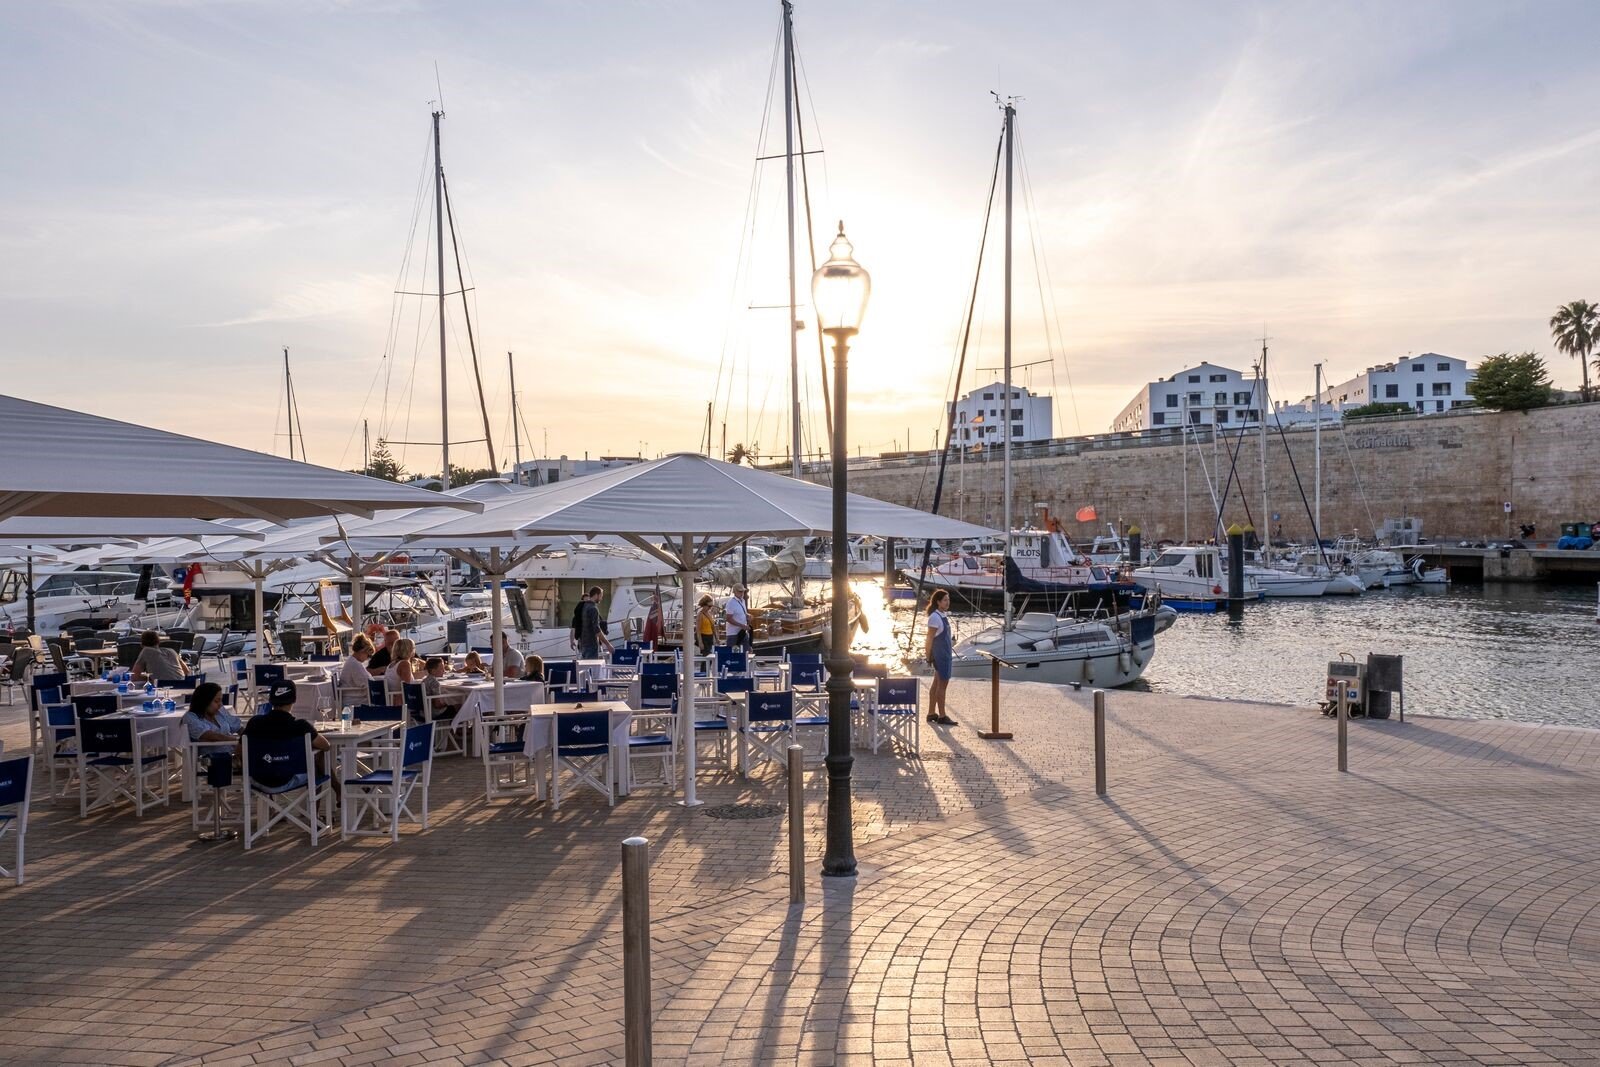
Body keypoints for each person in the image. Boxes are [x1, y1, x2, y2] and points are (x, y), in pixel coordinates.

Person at [241, 681, 329, 789]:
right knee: (316, 757)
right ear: (294, 700)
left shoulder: (254, 723)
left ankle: (337, 789)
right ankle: (332, 791)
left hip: (258, 778)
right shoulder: (301, 726)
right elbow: (326, 746)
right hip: (291, 778)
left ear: (270, 700)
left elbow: (239, 750)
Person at [183, 682, 242, 760]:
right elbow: (209, 735)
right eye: (216, 701)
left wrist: (248, 737)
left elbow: (237, 727)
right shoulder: (191, 717)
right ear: (204, 701)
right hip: (211, 759)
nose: (220, 704)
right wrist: (236, 741)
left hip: (233, 753)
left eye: (221, 701)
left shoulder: (220, 711)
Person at [924, 590, 955, 725]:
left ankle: (931, 713)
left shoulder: (942, 615)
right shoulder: (935, 617)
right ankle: (942, 716)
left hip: (945, 654)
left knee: (936, 684)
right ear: (938, 602)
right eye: (945, 600)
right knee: (942, 686)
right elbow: (929, 638)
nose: (947, 602)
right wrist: (928, 656)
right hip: (941, 656)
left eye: (948, 600)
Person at [570, 586, 613, 660]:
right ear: (596, 595)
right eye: (601, 596)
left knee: (585, 666)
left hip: (583, 644)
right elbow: (597, 629)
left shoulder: (584, 606)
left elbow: (575, 626)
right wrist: (608, 644)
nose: (601, 598)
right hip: (591, 645)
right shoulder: (593, 609)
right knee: (592, 666)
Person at [338, 634, 374, 701]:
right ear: (362, 651)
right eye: (368, 655)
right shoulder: (355, 664)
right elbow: (367, 683)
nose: (368, 658)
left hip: (353, 697)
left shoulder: (352, 661)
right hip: (355, 700)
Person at [724, 585, 752, 652]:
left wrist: (748, 616)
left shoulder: (743, 601)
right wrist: (741, 625)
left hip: (743, 632)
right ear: (734, 592)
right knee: (734, 655)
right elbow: (728, 618)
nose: (742, 593)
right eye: (740, 591)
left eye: (743, 591)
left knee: (746, 653)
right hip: (733, 634)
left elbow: (742, 613)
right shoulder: (731, 603)